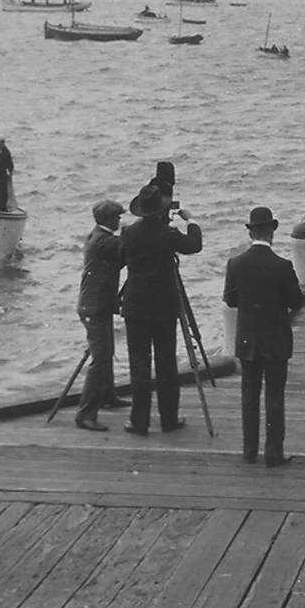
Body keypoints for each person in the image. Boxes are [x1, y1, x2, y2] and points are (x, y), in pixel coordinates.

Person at [223, 206, 305, 467]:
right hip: (276, 339)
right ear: (271, 232)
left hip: (247, 339)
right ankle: (273, 452)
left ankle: (249, 451)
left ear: (251, 233)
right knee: (274, 396)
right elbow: (295, 301)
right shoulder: (282, 266)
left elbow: (231, 300)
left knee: (249, 395)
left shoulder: (235, 264)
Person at [118, 181, 203, 436]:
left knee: (139, 364)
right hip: (164, 305)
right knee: (167, 364)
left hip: (135, 305)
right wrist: (191, 220)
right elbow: (194, 245)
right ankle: (169, 419)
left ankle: (139, 421)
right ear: (161, 210)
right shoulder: (167, 234)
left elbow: (120, 258)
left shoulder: (129, 233)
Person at [73, 199, 126, 432]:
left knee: (106, 352)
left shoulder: (98, 236)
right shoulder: (103, 241)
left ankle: (107, 396)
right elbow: (125, 249)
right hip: (95, 307)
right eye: (117, 217)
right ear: (108, 219)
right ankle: (85, 413)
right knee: (100, 358)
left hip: (97, 304)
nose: (119, 221)